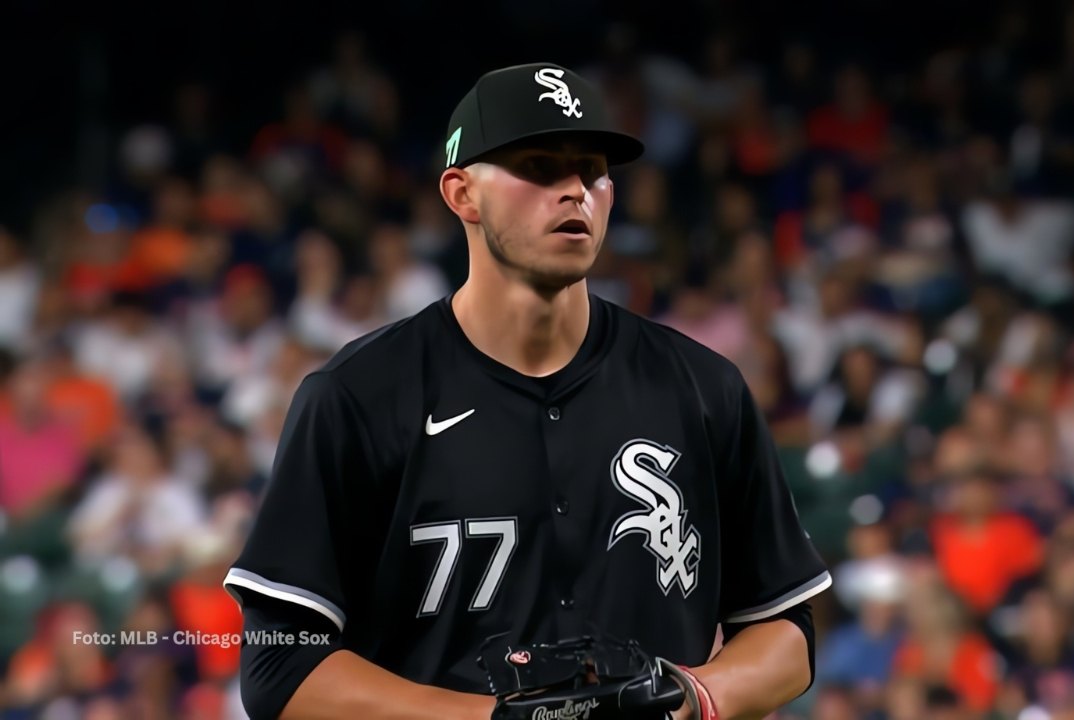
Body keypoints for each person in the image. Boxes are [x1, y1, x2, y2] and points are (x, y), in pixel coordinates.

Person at [224, 62, 832, 719]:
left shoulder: (702, 386)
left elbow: (785, 631)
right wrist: (492, 719)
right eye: (540, 167)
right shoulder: (359, 397)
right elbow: (280, 667)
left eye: (592, 170)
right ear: (462, 194)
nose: (574, 191)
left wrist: (693, 697)